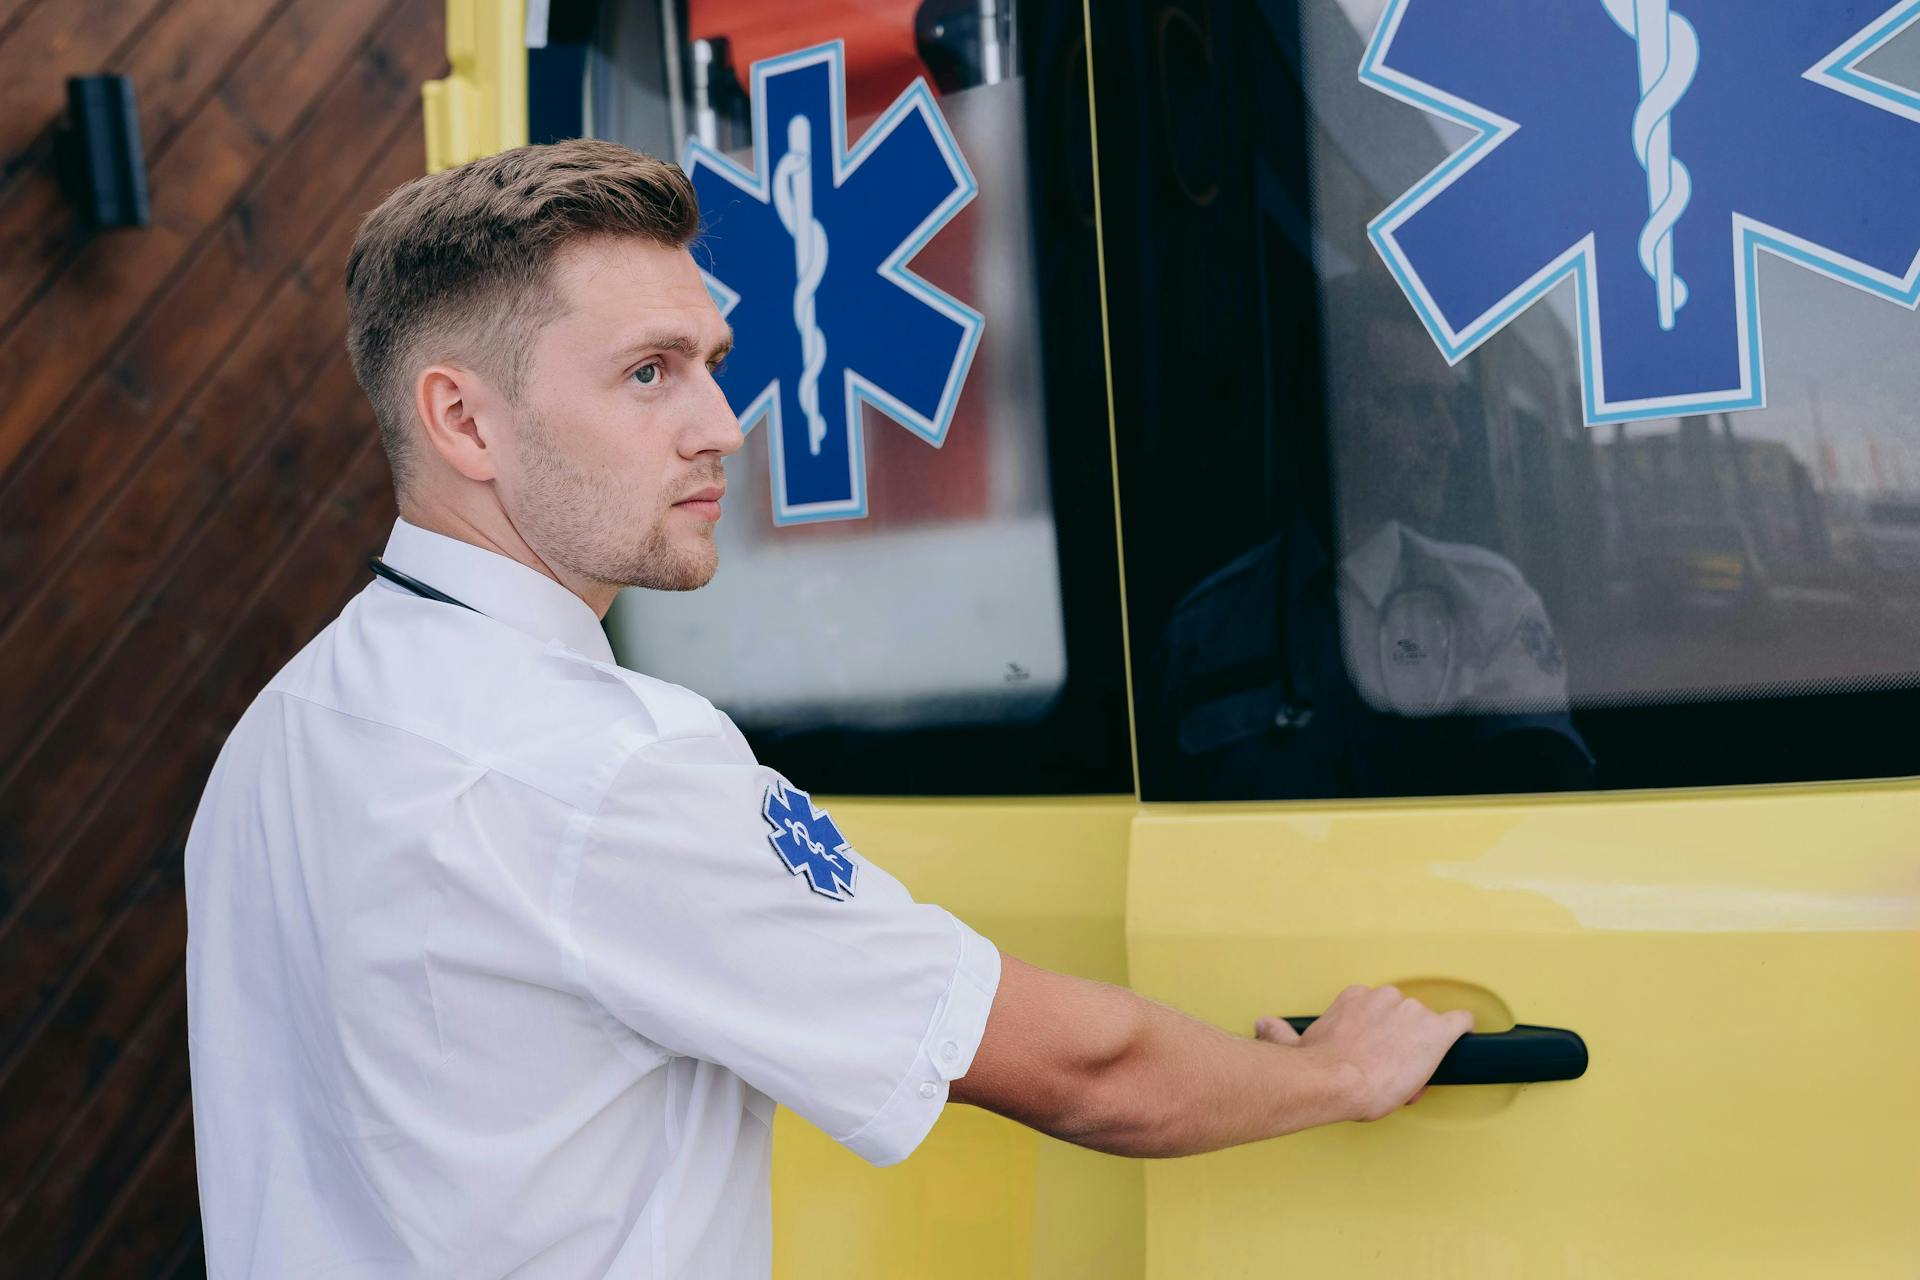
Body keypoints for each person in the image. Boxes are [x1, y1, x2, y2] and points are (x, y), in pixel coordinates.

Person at [183, 139, 1471, 1279]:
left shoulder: (284, 729)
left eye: (712, 363)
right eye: (648, 372)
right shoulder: (606, 766)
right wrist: (1337, 1071)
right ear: (463, 418)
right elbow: (1083, 1067)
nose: (722, 426)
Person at [1150, 273, 1594, 800]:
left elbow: (1541, 800)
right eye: (1416, 402)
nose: (1448, 437)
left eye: (1449, 405)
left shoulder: (1490, 603)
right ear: (1330, 412)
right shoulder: (1201, 633)